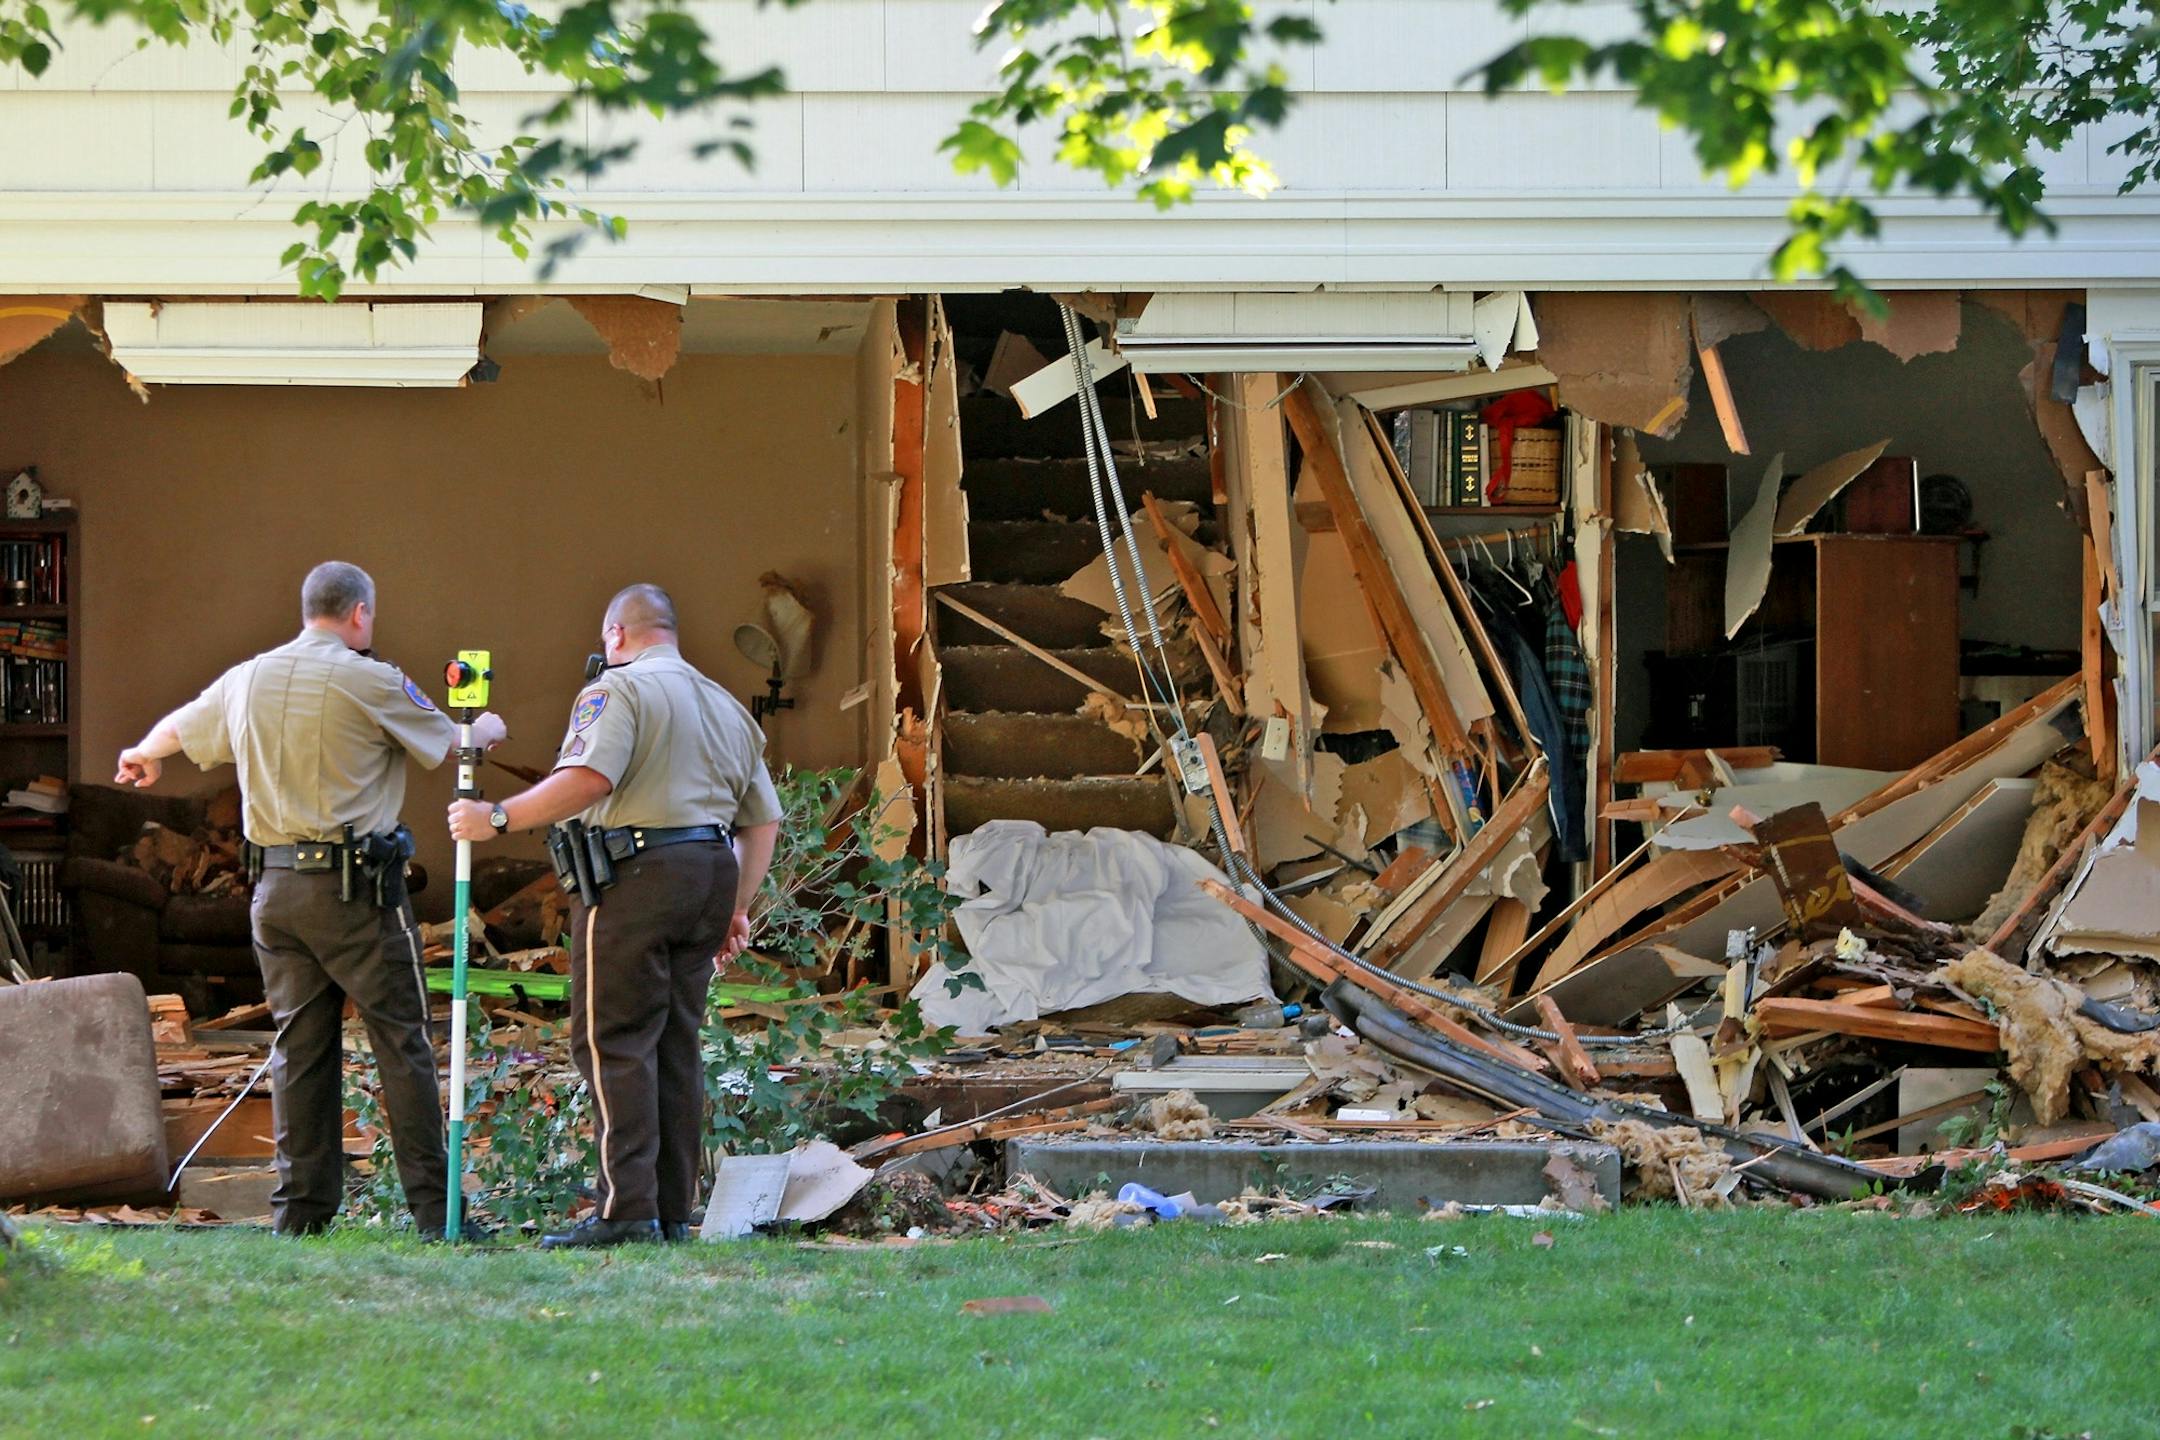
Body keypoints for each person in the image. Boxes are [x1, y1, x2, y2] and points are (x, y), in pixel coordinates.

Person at [117, 561, 506, 1239]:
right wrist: (489, 725)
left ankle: (299, 1215)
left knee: (299, 1048)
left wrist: (144, 753)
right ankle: (435, 1214)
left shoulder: (248, 677)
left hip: (275, 892)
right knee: (401, 1044)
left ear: (308, 611)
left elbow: (185, 724)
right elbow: (451, 745)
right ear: (360, 614)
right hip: (356, 893)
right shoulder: (370, 678)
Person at [448, 583, 781, 1249]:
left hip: (637, 874)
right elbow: (763, 818)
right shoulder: (725, 706)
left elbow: (590, 778)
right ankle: (668, 1209)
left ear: (617, 635)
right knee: (673, 1042)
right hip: (709, 870)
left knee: (611, 1039)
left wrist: (497, 818)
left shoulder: (617, 690)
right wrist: (738, 905)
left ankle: (625, 1211)